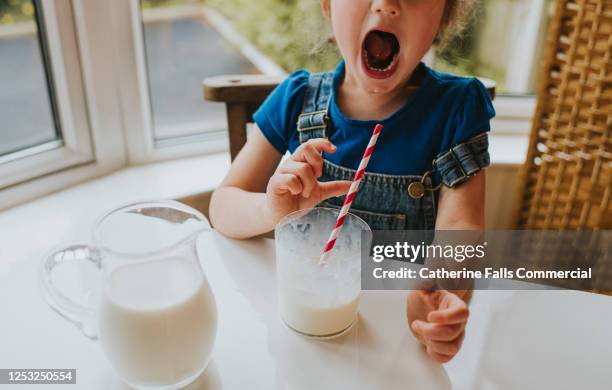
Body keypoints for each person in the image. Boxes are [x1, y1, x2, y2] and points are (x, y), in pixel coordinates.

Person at [210, 0, 494, 363]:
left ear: (443, 17)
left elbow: (461, 224)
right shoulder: (297, 98)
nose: (387, 5)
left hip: (394, 342)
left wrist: (438, 292)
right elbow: (224, 205)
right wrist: (269, 208)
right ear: (328, 6)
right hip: (306, 335)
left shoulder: (457, 107)